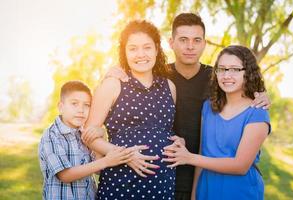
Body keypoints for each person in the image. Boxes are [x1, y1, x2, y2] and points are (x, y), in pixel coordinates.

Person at [105, 13, 271, 200]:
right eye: (183, 39)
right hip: (161, 175)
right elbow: (129, 85)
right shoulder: (158, 77)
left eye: (196, 40)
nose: (190, 46)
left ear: (204, 44)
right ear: (171, 42)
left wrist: (262, 95)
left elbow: (242, 94)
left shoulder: (216, 78)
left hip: (202, 178)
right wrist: (114, 72)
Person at [163, 45, 271, 200]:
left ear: (247, 73)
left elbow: (240, 166)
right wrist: (194, 195)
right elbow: (202, 152)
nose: (227, 75)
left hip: (240, 192)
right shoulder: (208, 107)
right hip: (206, 190)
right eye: (222, 69)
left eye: (234, 69)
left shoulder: (257, 112)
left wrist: (188, 157)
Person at [83, 20, 177, 199]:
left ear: (157, 49)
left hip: (162, 184)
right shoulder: (113, 84)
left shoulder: (169, 87)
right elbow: (89, 135)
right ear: (124, 53)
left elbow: (167, 132)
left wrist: (178, 142)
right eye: (133, 48)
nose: (140, 54)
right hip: (121, 183)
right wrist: (125, 155)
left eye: (147, 47)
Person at [38, 80, 133, 200]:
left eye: (87, 105)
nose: (81, 110)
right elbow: (65, 175)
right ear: (61, 107)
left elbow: (98, 169)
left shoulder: (84, 133)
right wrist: (107, 161)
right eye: (74, 103)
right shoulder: (52, 135)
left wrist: (100, 135)